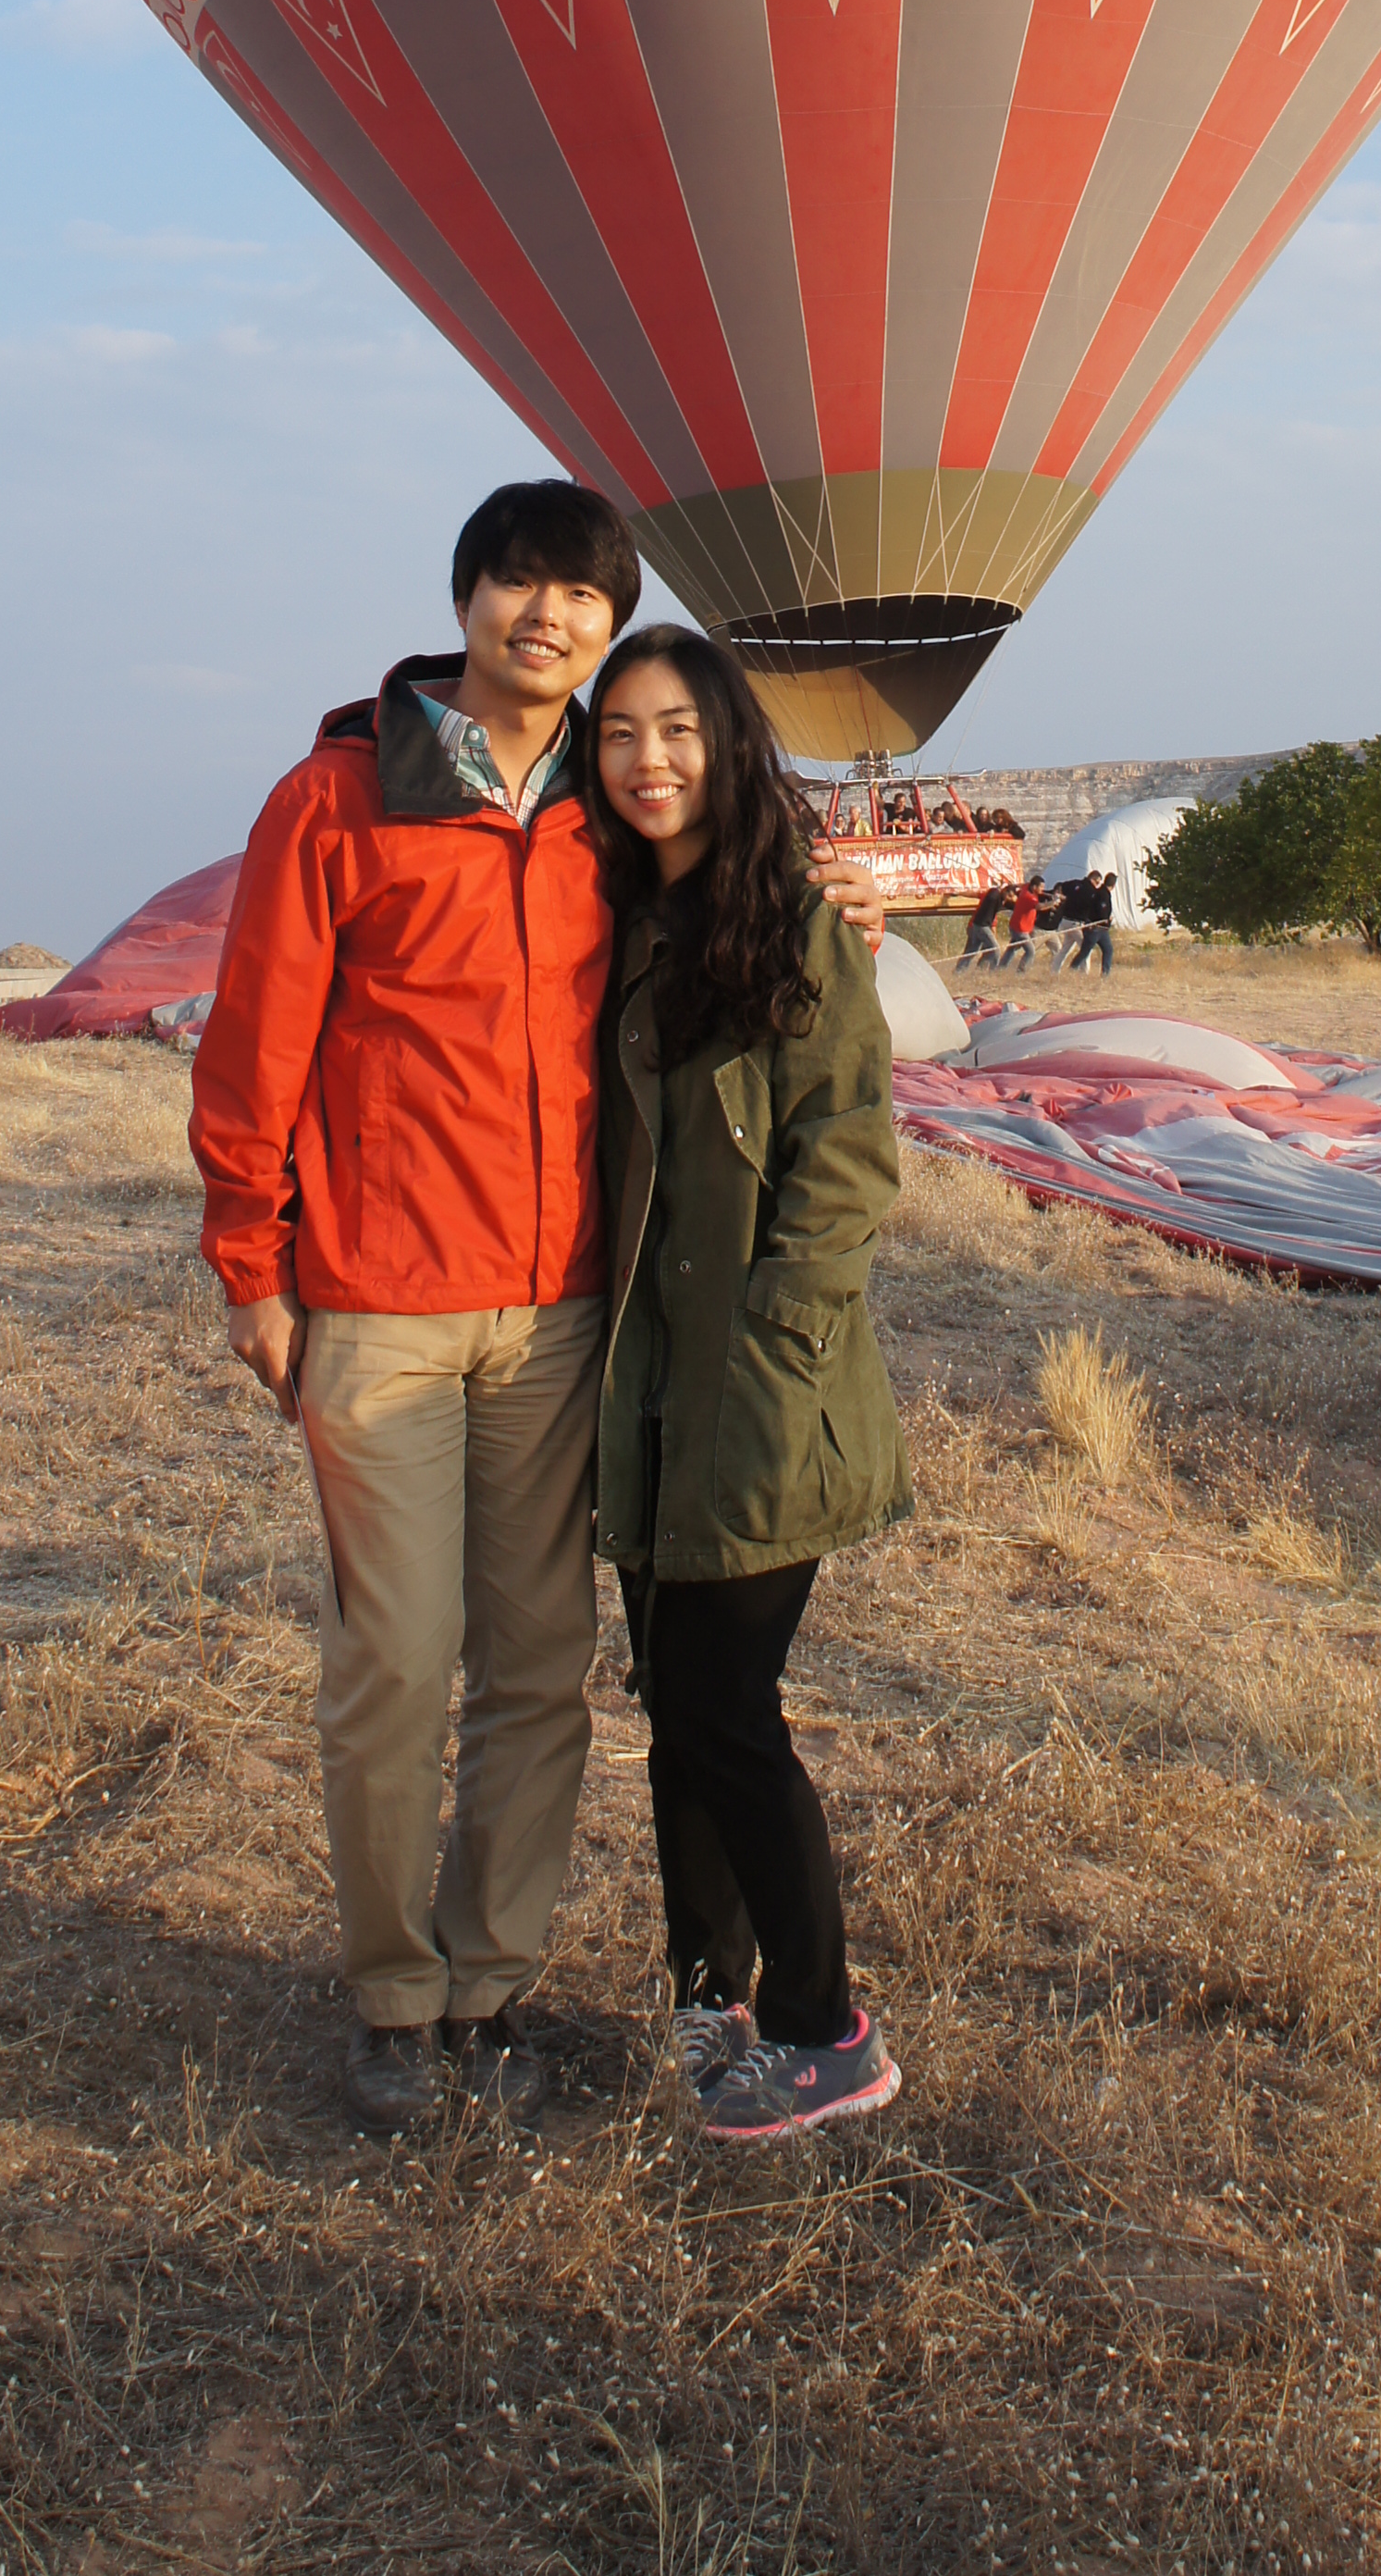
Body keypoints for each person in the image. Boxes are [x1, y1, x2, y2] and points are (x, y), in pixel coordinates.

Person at [188, 478, 883, 2138]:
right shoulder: (341, 796)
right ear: (468, 598)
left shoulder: (606, 810)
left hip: (568, 1312)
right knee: (394, 1664)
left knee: (541, 1667)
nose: (549, 617)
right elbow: (256, 1041)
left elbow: (733, 895)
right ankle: (392, 1999)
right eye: (521, 584)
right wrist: (252, 1266)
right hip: (379, 1301)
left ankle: (490, 1986)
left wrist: (833, 903)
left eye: (582, 596)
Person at [586, 624, 911, 2142]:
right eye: (618, 734)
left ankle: (823, 2027)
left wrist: (784, 1331)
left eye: (677, 730)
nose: (648, 761)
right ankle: (709, 1998)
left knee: (727, 1704)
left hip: (764, 1378)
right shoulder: (617, 920)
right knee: (676, 1701)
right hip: (647, 1377)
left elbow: (847, 1145)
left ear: (728, 743)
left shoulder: (798, 916)